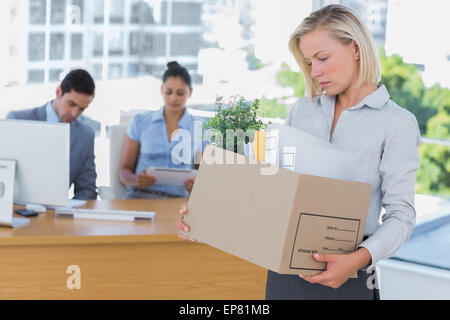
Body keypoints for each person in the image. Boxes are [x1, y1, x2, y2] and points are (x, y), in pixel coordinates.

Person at [178, 4, 421, 300]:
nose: (315, 72)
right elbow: (271, 190)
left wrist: (355, 261)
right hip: (285, 277)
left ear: (355, 48)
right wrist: (209, 214)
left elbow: (402, 216)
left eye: (322, 58)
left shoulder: (396, 123)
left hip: (349, 276)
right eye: (308, 63)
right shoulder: (301, 112)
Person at [7, 69, 98, 200]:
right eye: (71, 104)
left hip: (56, 215)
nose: (74, 113)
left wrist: (68, 212)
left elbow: (87, 189)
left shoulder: (85, 136)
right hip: (16, 211)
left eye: (81, 109)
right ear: (58, 92)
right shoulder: (16, 120)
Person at [119, 61, 201, 199]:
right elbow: (123, 171)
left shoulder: (198, 128)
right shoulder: (141, 122)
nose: (173, 98)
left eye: (180, 93)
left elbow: (203, 176)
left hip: (177, 201)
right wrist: (136, 180)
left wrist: (196, 186)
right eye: (168, 92)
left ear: (190, 92)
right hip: (139, 196)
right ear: (161, 90)